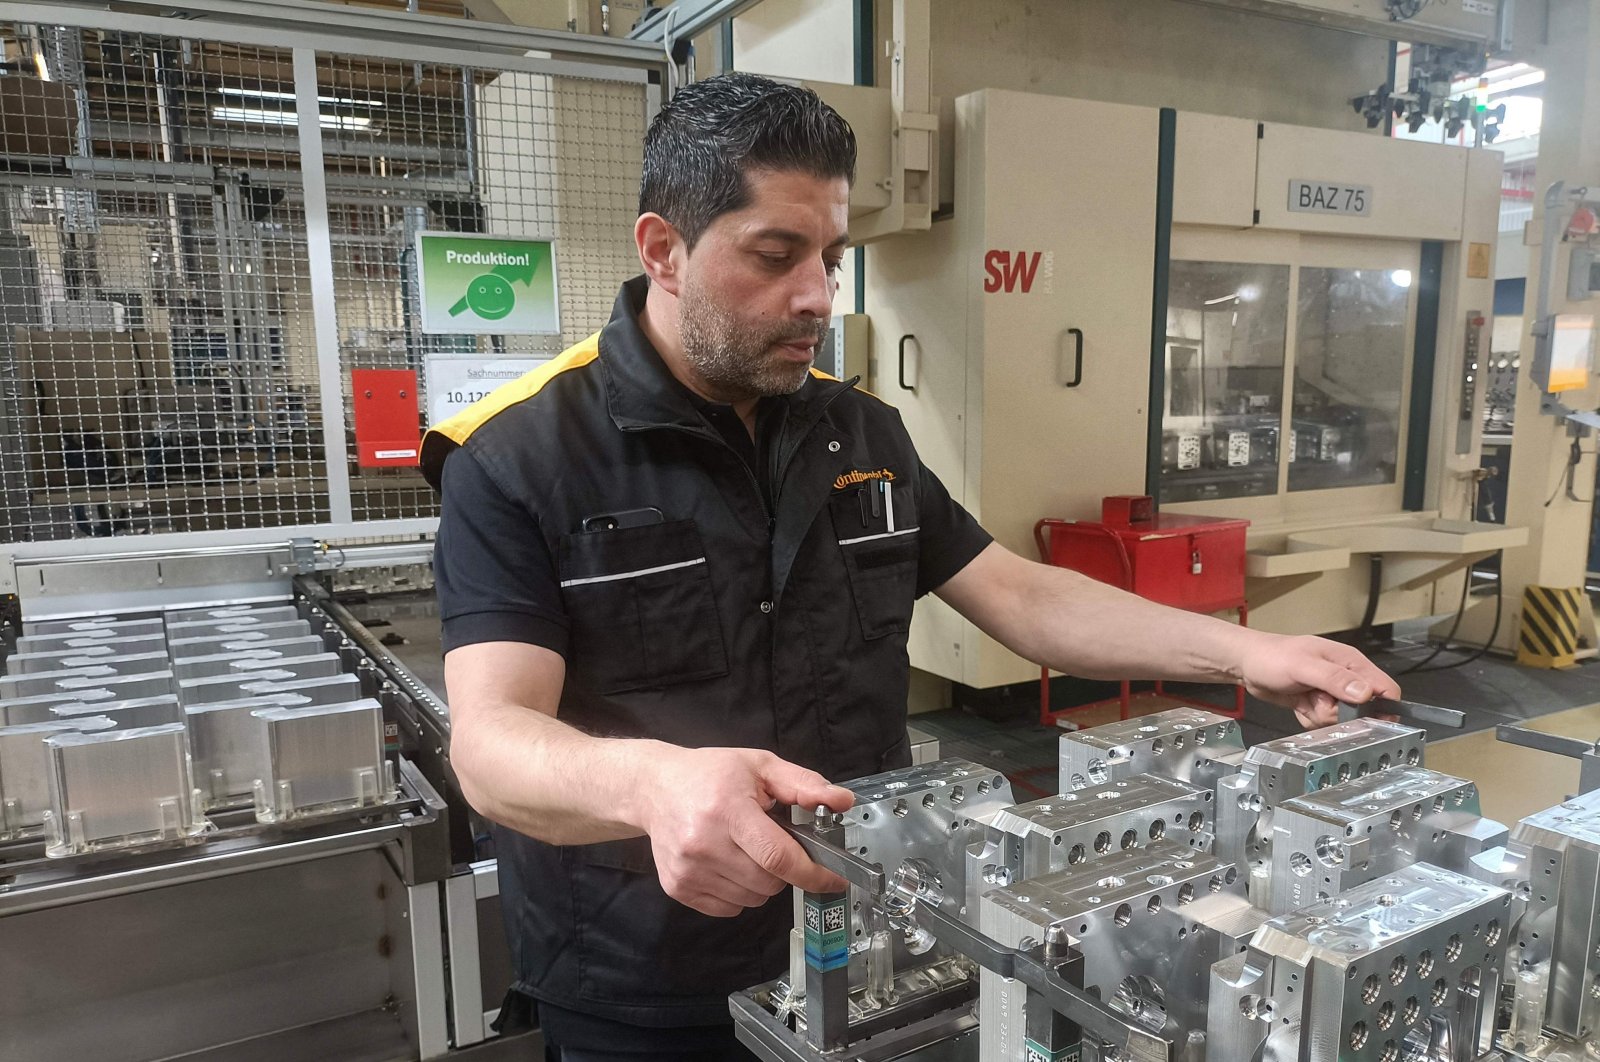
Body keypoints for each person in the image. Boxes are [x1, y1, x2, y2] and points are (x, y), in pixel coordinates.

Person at [421, 71, 1400, 1062]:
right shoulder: (519, 458)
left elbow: (1016, 592)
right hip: (649, 982)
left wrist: (1245, 651)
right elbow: (491, 745)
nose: (816, 295)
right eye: (774, 254)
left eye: (832, 257)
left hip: (872, 947)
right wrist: (650, 785)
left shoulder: (858, 432)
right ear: (662, 250)